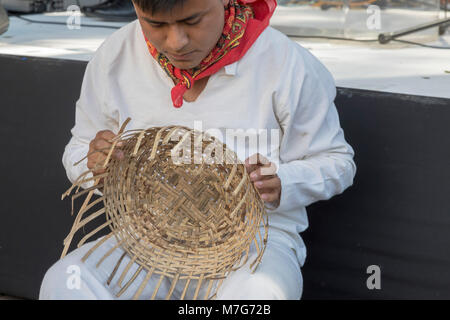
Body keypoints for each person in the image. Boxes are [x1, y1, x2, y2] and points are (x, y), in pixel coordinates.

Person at [39, 0, 356, 300]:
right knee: (67, 278)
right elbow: (79, 148)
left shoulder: (284, 61)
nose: (176, 41)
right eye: (155, 23)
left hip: (255, 247)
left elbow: (336, 161)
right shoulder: (115, 55)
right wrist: (95, 166)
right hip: (147, 244)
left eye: (192, 20)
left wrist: (283, 181)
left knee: (258, 294)